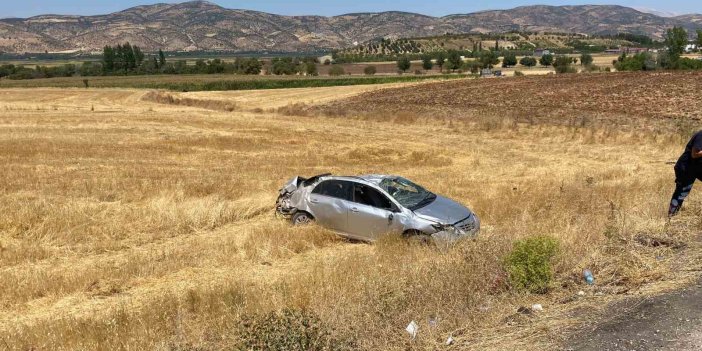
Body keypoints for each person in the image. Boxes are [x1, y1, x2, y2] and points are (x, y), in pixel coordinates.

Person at [669, 130, 702, 217]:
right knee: (682, 192)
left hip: (697, 167)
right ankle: (671, 217)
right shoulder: (701, 135)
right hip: (686, 168)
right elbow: (695, 154)